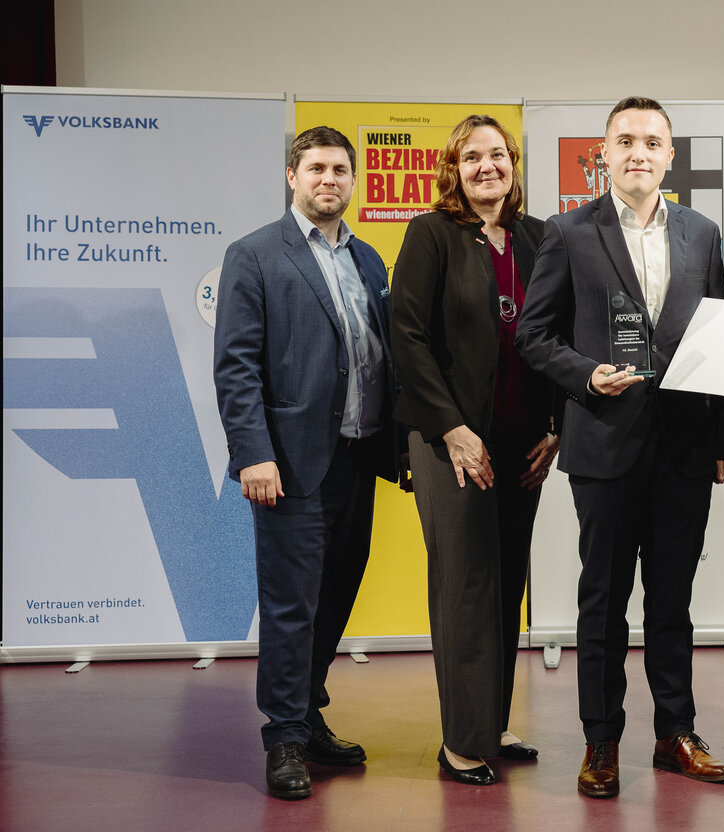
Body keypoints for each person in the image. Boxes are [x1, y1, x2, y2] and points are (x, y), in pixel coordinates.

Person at [516, 96, 724, 799]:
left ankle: (676, 734)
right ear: (602, 155)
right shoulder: (569, 232)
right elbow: (534, 335)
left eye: (652, 141)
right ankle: (601, 742)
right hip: (604, 444)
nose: (639, 151)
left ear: (671, 156)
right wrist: (585, 375)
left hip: (685, 447)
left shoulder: (703, 233)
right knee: (602, 601)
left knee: (673, 602)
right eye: (625, 140)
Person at [214, 126, 401, 800]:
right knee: (292, 605)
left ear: (353, 181)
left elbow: (384, 357)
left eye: (341, 170)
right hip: (290, 464)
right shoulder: (256, 255)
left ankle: (308, 712)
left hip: (358, 459)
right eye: (317, 168)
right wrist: (253, 455)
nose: (329, 180)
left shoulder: (370, 260)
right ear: (293, 176)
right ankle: (284, 740)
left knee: (335, 597)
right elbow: (236, 368)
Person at [389, 115, 559, 786]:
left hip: (524, 441)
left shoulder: (538, 236)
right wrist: (453, 430)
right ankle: (461, 741)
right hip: (448, 439)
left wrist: (557, 425)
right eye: (472, 156)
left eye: (498, 155)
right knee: (464, 585)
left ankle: (491, 722)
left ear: (513, 164)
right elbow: (407, 336)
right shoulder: (431, 234)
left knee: (505, 582)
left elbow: (557, 334)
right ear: (453, 169)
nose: (487, 166)